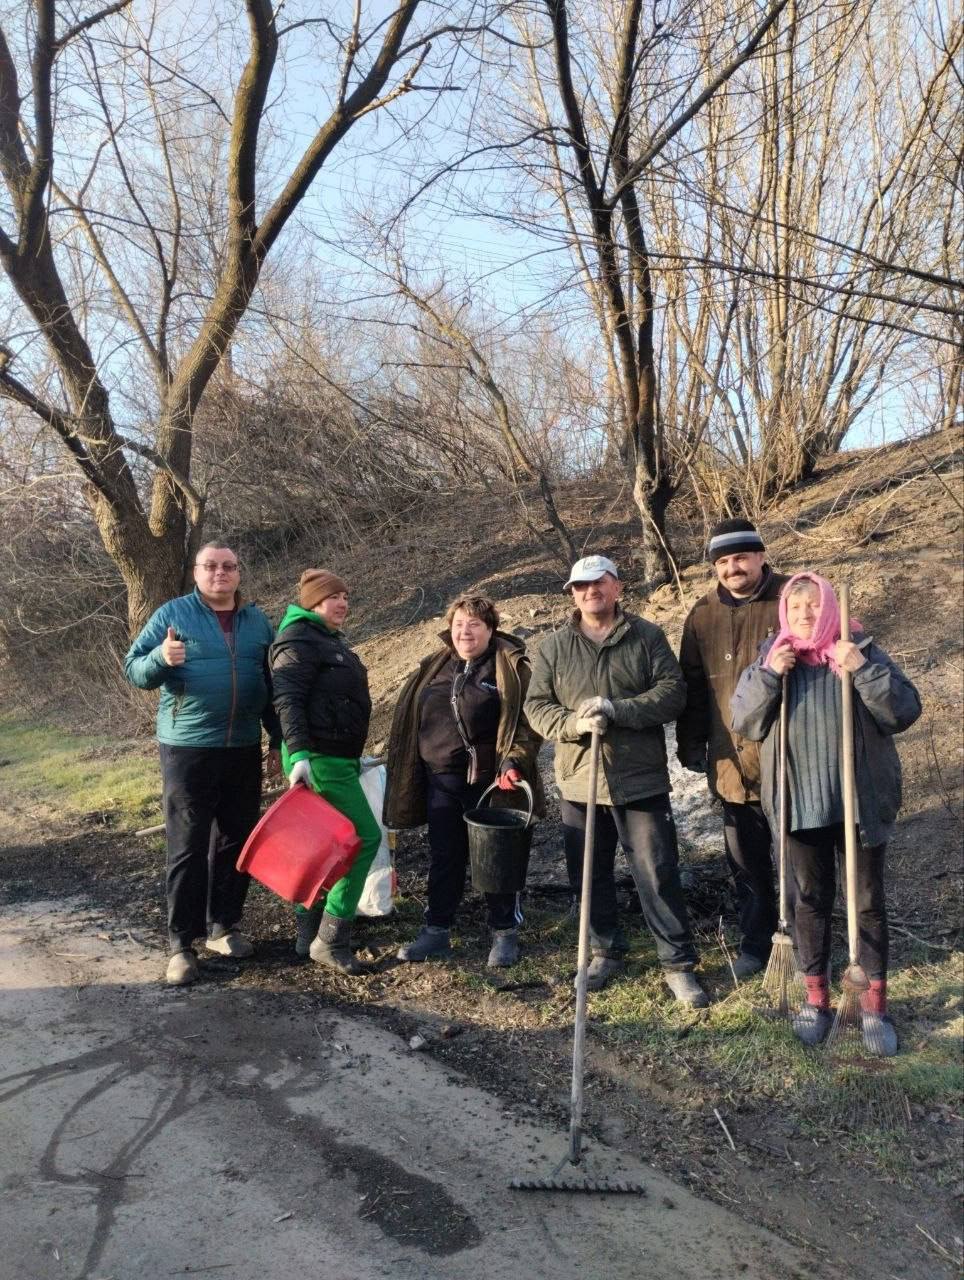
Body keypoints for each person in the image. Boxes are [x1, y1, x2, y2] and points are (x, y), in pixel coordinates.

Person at [730, 573, 921, 1055]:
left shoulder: (860, 649)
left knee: (867, 902)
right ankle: (816, 999)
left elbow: (903, 711)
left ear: (830, 607)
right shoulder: (775, 657)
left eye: (813, 607)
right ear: (783, 615)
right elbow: (745, 721)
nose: (805, 617)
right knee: (809, 900)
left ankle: (873, 1006)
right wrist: (770, 673)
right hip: (800, 802)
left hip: (859, 800)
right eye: (795, 610)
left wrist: (861, 669)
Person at [524, 554, 708, 1005]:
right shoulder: (553, 647)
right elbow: (536, 708)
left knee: (657, 871)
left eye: (599, 584)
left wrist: (617, 710)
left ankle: (678, 963)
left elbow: (673, 693)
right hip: (578, 781)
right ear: (572, 593)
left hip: (639, 780)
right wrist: (574, 724)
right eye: (581, 587)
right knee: (589, 874)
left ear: (617, 588)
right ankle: (605, 951)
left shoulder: (646, 637)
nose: (590, 593)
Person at [124, 543, 281, 986]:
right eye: (210, 566)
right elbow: (133, 671)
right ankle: (181, 945)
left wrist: (277, 741)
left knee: (237, 840)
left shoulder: (256, 623)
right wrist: (159, 659)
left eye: (228, 567)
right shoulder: (173, 615)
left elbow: (268, 685)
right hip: (188, 747)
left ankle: (223, 926)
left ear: (238, 573)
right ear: (196, 572)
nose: (220, 574)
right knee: (188, 844)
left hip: (243, 747)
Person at [383, 595, 544, 969]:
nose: (464, 631)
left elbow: (529, 723)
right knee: (444, 857)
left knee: (497, 860)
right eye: (458, 624)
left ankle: (504, 933)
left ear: (491, 629)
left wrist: (513, 761)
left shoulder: (510, 667)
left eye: (474, 624)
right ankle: (436, 931)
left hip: (493, 784)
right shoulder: (435, 666)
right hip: (440, 781)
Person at [676, 518, 790, 978]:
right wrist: (691, 744)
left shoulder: (791, 600)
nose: (732, 568)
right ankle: (755, 944)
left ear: (761, 555)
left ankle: (803, 943)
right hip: (731, 764)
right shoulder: (703, 615)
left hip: (787, 758)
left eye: (740, 557)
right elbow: (691, 686)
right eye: (722, 561)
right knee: (746, 862)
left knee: (798, 860)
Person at [270, 568, 381, 974]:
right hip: (318, 759)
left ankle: (308, 931)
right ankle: (332, 938)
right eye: (334, 597)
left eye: (346, 596)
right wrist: (298, 755)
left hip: (338, 757)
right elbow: (287, 699)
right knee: (364, 838)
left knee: (321, 846)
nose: (343, 603)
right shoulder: (296, 640)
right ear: (313, 602)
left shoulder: (326, 640)